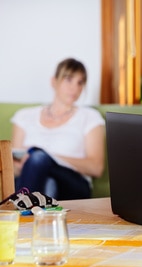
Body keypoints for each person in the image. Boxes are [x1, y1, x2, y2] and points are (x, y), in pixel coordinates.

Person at [11, 58, 105, 200]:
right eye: (69, 79)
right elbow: (12, 166)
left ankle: (18, 215)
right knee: (48, 183)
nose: (75, 88)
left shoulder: (90, 117)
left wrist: (49, 157)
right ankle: (35, 218)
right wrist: (23, 163)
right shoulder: (25, 116)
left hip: (73, 183)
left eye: (80, 82)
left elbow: (96, 168)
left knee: (39, 157)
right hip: (35, 177)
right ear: (54, 81)